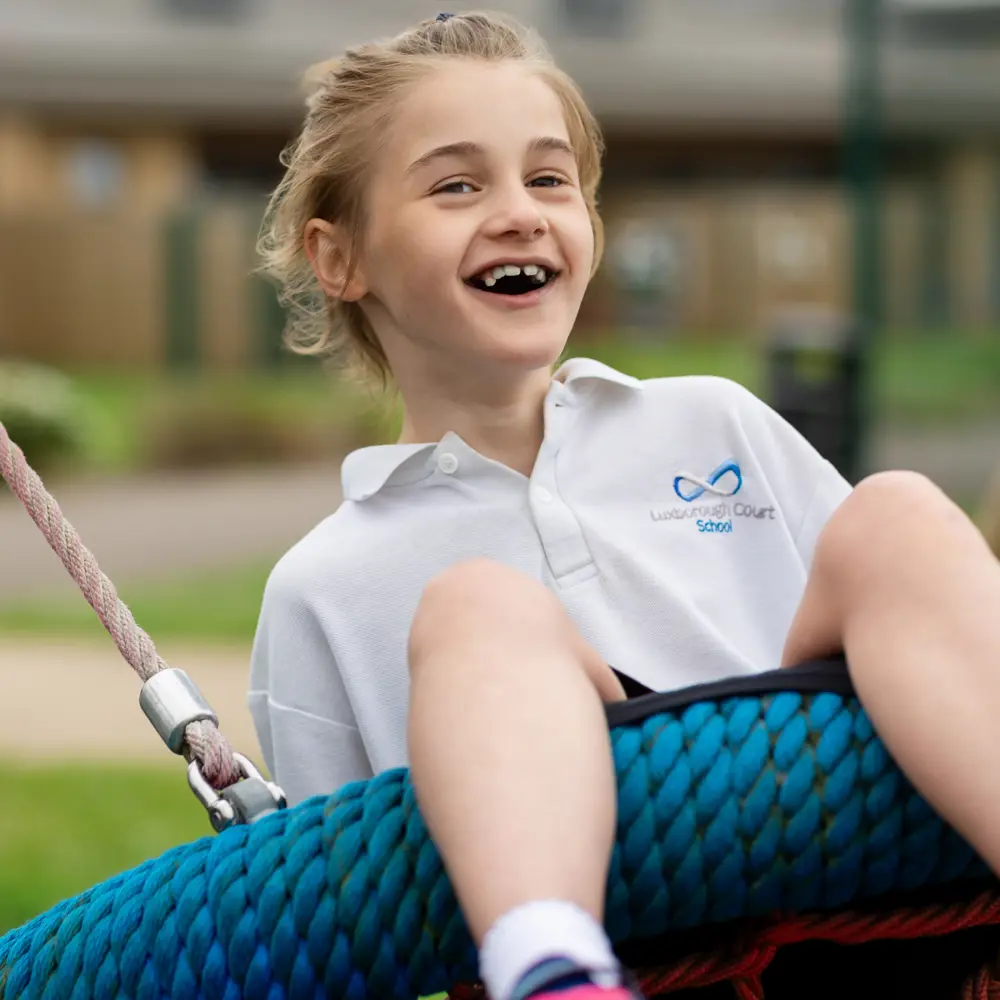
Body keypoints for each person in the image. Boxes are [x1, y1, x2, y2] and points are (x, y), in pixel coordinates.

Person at [248, 11, 1000, 1000]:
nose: (518, 212)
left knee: (895, 513)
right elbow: (336, 902)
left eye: (549, 178)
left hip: (869, 915)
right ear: (338, 257)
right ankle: (552, 967)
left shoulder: (713, 423)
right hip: (642, 955)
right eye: (456, 184)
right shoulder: (327, 586)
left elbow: (908, 625)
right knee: (477, 604)